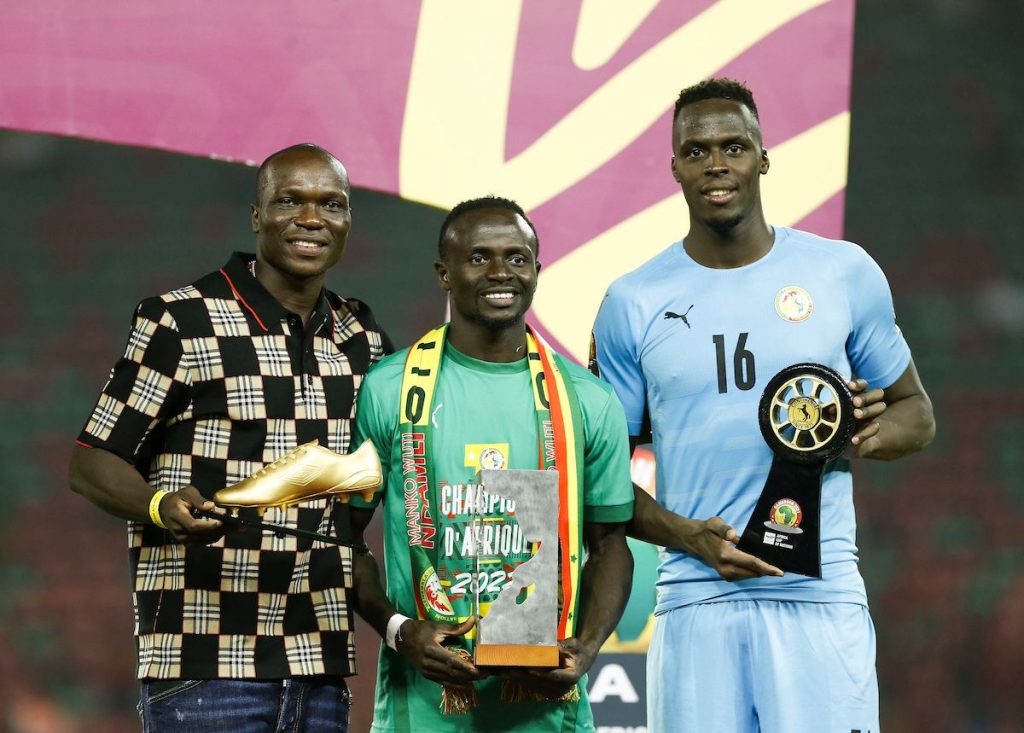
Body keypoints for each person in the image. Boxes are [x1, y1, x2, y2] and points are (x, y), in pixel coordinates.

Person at [591, 78, 936, 732]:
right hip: (696, 599)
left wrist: (858, 434)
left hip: (820, 592)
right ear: (674, 168)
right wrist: (691, 537)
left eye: (734, 146)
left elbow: (916, 412)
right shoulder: (632, 301)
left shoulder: (843, 272)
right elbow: (602, 478)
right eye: (696, 152)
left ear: (763, 156)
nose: (716, 164)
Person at [69, 143, 392, 732]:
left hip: (318, 665)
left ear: (347, 222)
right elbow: (92, 461)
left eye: (332, 204)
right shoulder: (182, 319)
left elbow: (362, 509)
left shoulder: (361, 338)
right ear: (256, 214)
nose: (312, 218)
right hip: (205, 665)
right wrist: (159, 506)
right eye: (290, 201)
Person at [348, 197, 635, 731]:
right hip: (422, 711)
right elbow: (344, 540)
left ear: (537, 271)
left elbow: (611, 545)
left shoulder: (587, 401)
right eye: (479, 258)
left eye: (517, 258)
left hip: (548, 713)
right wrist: (400, 631)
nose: (501, 272)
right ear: (444, 273)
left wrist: (588, 647)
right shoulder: (389, 388)